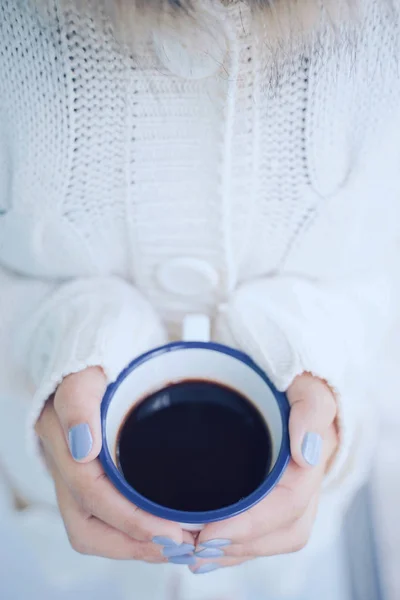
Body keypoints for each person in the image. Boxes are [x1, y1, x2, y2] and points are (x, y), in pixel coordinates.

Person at [0, 0, 398, 598]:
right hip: (48, 549)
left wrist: (320, 367)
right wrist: (64, 345)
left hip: (295, 562)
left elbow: (381, 270)